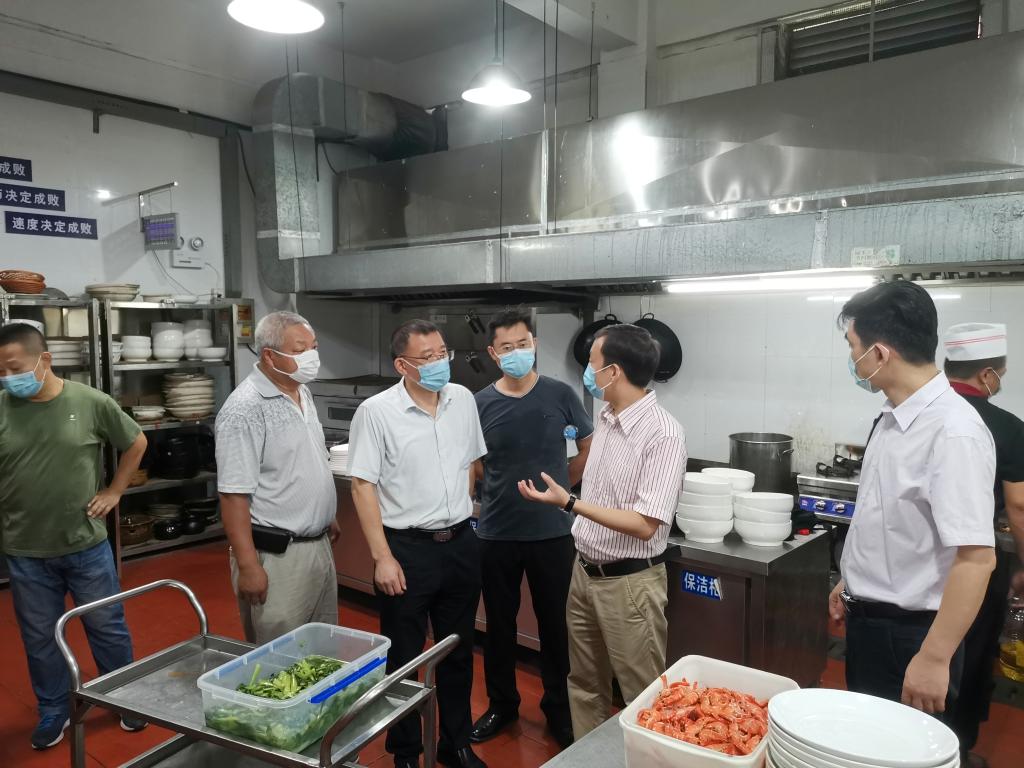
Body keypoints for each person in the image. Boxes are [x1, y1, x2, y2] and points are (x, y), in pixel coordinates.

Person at [828, 282, 997, 721]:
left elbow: (977, 559)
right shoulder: (892, 418)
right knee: (866, 741)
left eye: (853, 346)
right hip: (872, 624)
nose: (852, 358)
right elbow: (890, 518)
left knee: (901, 746)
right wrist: (853, 581)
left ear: (880, 354)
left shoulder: (953, 432)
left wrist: (935, 657)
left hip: (911, 637)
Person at [518, 323, 685, 739]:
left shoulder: (663, 433)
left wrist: (569, 503)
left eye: (592, 363)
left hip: (629, 585)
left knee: (645, 699)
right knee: (584, 684)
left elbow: (645, 524)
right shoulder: (607, 418)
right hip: (585, 573)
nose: (587, 372)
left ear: (613, 372)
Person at [0, 322, 148, 750]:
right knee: (40, 638)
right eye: (0, 371)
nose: (8, 378)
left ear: (45, 360)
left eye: (14, 368)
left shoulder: (89, 402)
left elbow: (135, 442)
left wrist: (114, 491)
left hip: (85, 544)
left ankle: (123, 696)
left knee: (107, 626)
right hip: (25, 549)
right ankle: (53, 709)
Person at [348, 319, 488, 768]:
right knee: (404, 655)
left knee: (458, 651)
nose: (439, 363)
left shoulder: (462, 400)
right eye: (427, 358)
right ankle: (406, 751)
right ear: (402, 365)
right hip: (406, 549)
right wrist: (382, 557)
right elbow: (362, 486)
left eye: (442, 354)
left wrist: (461, 511)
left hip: (460, 544)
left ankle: (456, 742)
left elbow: (471, 464)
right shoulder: (376, 412)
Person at [470, 309, 593, 749]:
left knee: (556, 628)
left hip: (552, 533)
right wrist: (493, 491)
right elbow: (474, 463)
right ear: (493, 353)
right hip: (496, 533)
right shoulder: (479, 403)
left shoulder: (561, 394)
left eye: (523, 344)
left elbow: (587, 445)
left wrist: (561, 490)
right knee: (499, 626)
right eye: (507, 347)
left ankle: (559, 709)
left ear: (534, 344)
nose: (516, 353)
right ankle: (502, 705)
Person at [215, 311, 339, 645]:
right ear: (270, 356)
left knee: (322, 650)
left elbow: (301, 460)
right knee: (280, 656)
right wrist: (248, 566)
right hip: (277, 556)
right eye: (300, 350)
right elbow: (233, 495)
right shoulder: (244, 409)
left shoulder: (301, 391)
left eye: (314, 347)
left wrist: (325, 512)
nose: (312, 357)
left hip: (318, 545)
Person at [942, 322, 1024, 767]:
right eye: (1002, 375)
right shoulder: (1008, 428)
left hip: (921, 563)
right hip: (976, 560)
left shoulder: (920, 413)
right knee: (971, 656)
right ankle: (955, 749)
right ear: (988, 374)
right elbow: (1020, 507)